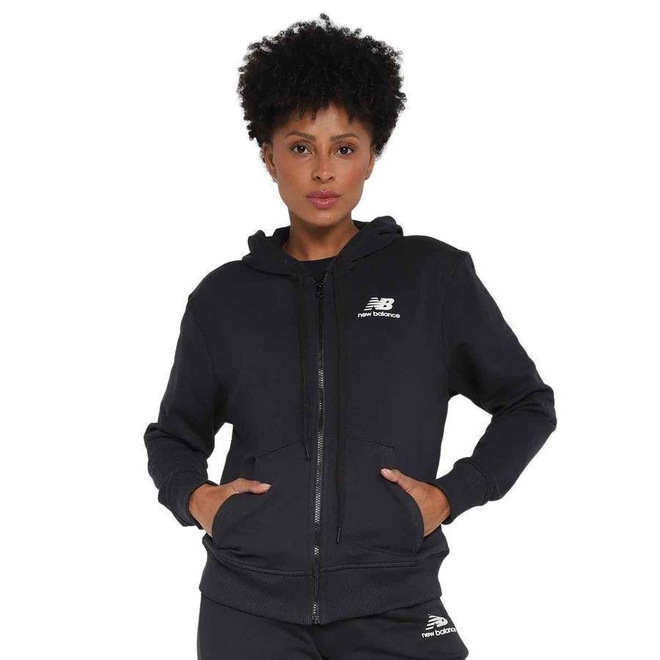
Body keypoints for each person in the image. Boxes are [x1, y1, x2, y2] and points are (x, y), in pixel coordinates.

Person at [143, 13, 557, 659]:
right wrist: (198, 500)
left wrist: (453, 494)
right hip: (247, 608)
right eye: (300, 147)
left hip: (396, 601)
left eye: (344, 147)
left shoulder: (432, 276)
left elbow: (527, 403)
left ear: (371, 154)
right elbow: (174, 436)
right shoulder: (223, 298)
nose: (323, 172)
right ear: (268, 155)